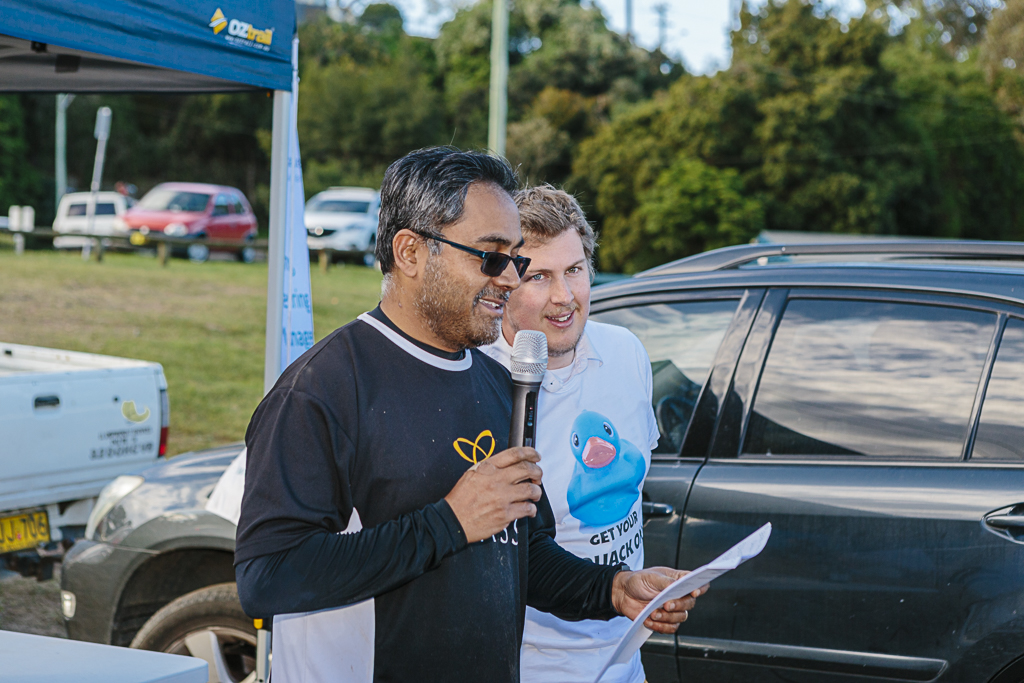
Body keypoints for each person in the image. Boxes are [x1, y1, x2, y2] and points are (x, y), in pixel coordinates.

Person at [234, 148, 704, 682]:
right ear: (410, 252)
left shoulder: (499, 383)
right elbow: (266, 576)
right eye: (490, 256)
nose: (509, 279)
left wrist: (613, 589)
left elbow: (523, 552)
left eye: (514, 259)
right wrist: (451, 522)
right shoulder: (323, 389)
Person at [482, 185, 672, 683]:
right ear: (504, 283)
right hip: (532, 666)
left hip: (625, 660)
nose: (564, 296)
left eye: (574, 270)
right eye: (539, 276)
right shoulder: (478, 384)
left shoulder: (626, 351)